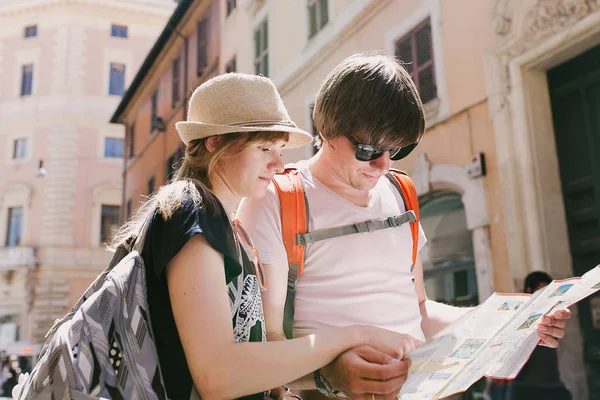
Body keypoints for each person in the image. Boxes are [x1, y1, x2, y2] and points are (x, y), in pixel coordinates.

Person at [236, 53, 572, 398]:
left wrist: (512, 324)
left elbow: (421, 311)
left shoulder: (401, 191)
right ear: (325, 129)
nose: (382, 165)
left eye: (397, 149)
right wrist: (327, 375)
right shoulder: (274, 199)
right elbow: (265, 343)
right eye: (368, 149)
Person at [109, 73, 420, 400]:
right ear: (214, 141)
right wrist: (357, 336)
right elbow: (218, 375)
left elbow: (241, 359)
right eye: (264, 148)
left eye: (280, 149)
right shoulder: (191, 212)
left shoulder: (224, 224)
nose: (277, 163)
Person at [508, 272, 572, 400]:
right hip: (526, 389)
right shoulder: (516, 316)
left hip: (553, 387)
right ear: (529, 290)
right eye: (543, 290)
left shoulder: (551, 313)